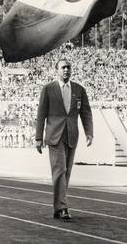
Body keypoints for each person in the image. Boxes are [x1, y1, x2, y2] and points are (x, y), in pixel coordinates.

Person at [35, 59, 93, 222]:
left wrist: (89, 132)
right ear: (57, 70)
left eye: (69, 67)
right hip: (54, 136)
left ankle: (57, 207)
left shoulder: (79, 89)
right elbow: (41, 114)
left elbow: (86, 112)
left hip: (71, 135)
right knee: (59, 170)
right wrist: (39, 137)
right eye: (63, 67)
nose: (66, 70)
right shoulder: (48, 89)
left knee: (65, 172)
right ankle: (63, 207)